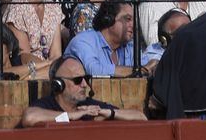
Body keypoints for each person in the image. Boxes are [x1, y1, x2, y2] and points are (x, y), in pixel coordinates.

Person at [17, 53, 146, 124]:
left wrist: (109, 113)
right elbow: (30, 117)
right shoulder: (47, 105)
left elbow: (140, 117)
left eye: (86, 78)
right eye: (77, 80)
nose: (84, 84)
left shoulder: (89, 106)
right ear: (58, 84)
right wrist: (72, 116)